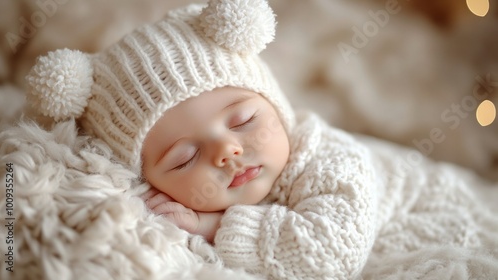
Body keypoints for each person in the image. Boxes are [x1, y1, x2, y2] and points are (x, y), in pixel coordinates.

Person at [26, 0, 498, 279]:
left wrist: (213, 229)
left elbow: (326, 253)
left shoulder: (329, 158)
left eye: (244, 120)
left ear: (275, 105)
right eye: (184, 157)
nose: (226, 151)